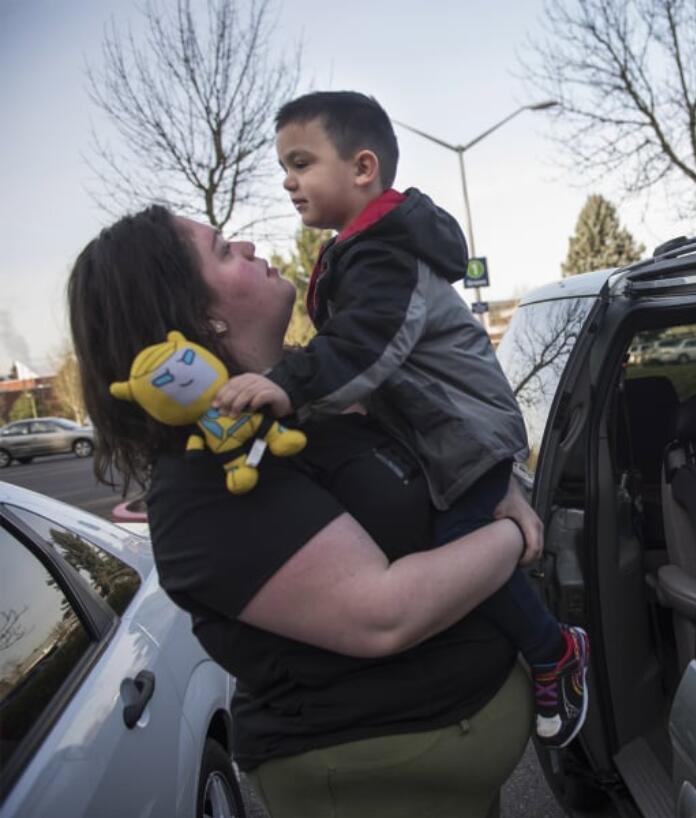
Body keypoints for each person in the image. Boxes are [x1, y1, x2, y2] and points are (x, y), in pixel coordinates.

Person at [68, 205, 542, 817]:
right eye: (219, 250)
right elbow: (382, 615)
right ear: (200, 318)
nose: (244, 243)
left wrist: (492, 484)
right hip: (370, 784)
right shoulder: (208, 484)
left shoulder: (317, 398)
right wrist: (512, 535)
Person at [212, 91, 588, 747]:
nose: (287, 180)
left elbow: (364, 349)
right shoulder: (362, 249)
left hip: (464, 428)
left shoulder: (385, 254)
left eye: (301, 162)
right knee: (454, 541)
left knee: (461, 547)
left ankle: (552, 649)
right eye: (283, 165)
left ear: (362, 168)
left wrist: (283, 386)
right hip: (437, 429)